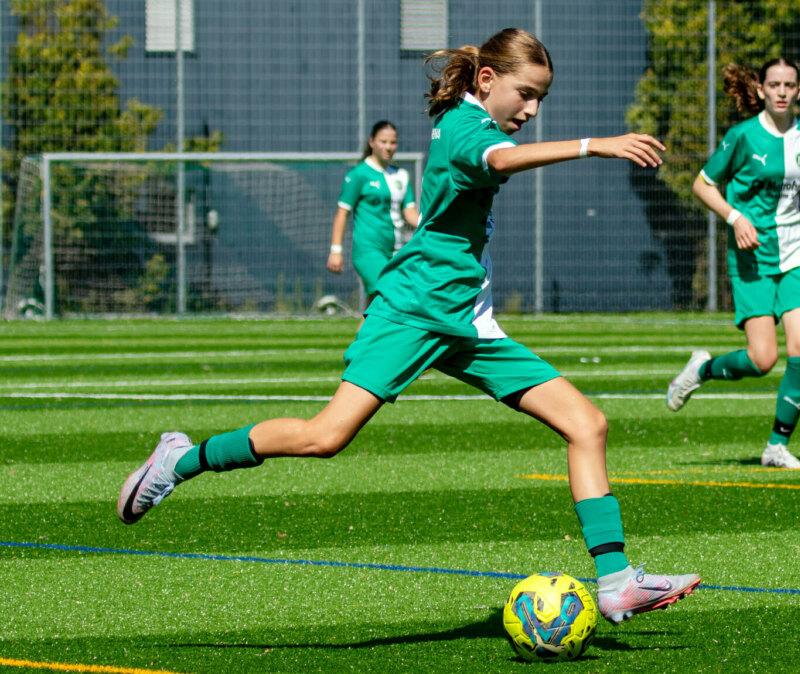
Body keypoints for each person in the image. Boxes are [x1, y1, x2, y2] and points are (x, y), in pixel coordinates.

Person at [118, 28, 700, 625]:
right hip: (414, 311)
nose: (532, 110)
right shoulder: (464, 132)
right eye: (526, 95)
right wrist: (594, 144)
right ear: (487, 80)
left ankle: (617, 581)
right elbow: (500, 160)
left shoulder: (473, 123)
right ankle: (178, 461)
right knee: (325, 437)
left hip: (467, 321)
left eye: (541, 99)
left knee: (587, 423)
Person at [666, 57, 800, 470]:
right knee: (762, 360)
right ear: (760, 90)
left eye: (788, 85)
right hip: (751, 254)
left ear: (799, 90)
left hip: (795, 250)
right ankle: (703, 368)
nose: (780, 91)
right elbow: (702, 185)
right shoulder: (742, 136)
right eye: (773, 84)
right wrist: (735, 217)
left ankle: (777, 446)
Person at [327, 120, 420, 313]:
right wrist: (336, 250)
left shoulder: (401, 175)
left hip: (395, 251)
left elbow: (409, 213)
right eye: (383, 141)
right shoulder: (359, 174)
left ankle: (361, 343)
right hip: (369, 251)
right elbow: (342, 213)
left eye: (392, 142)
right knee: (387, 295)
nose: (388, 147)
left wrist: (427, 224)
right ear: (371, 142)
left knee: (376, 307)